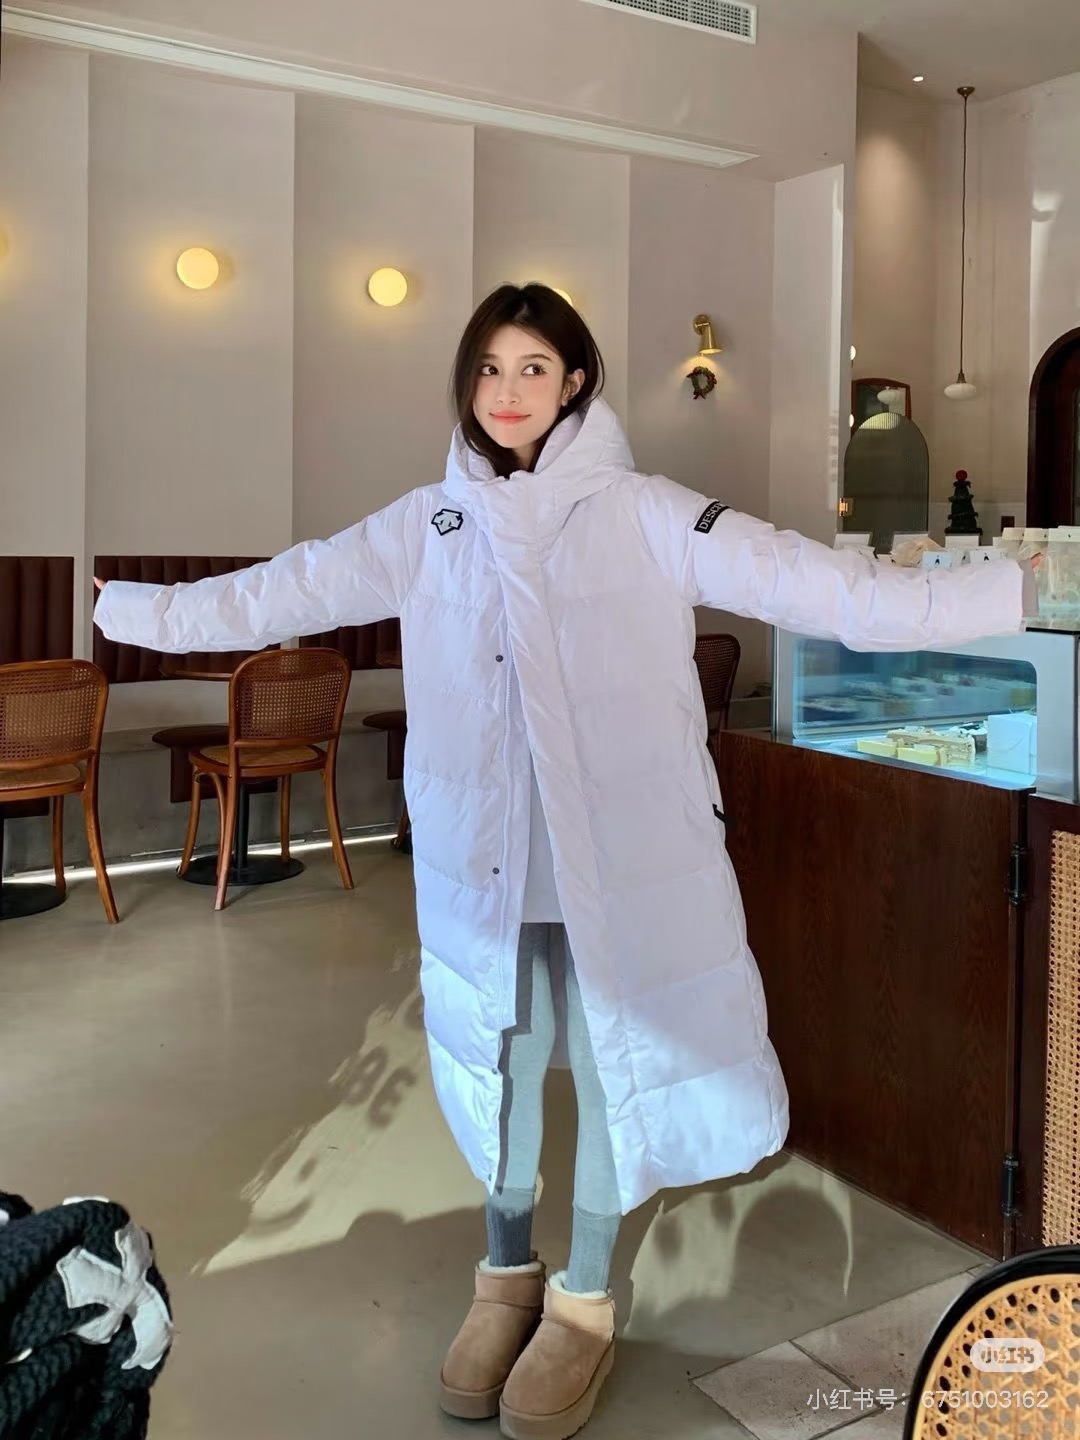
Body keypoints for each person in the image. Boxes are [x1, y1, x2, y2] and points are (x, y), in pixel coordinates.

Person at [94, 285, 1029, 1440]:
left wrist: (1013, 589)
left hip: (621, 865)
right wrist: (133, 610)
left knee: (604, 1068)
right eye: (490, 369)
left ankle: (584, 1299)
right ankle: (504, 1279)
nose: (508, 392)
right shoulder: (428, 525)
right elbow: (277, 590)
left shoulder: (645, 513)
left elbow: (823, 585)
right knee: (504, 1059)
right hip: (488, 869)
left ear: (576, 381)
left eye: (533, 368)